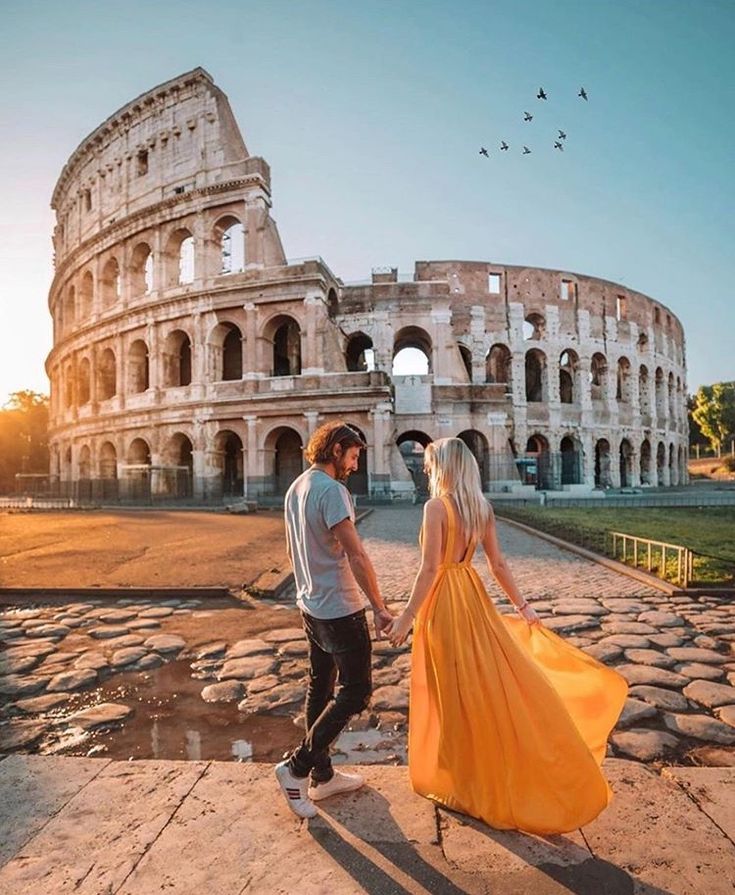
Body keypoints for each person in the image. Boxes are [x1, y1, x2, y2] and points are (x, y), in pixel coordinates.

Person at [387, 437, 628, 835]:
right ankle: (482, 769)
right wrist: (523, 607)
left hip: (444, 603)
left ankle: (462, 779)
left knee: (451, 691)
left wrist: (406, 616)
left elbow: (430, 569)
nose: (426, 469)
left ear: (444, 467)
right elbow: (497, 564)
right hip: (472, 597)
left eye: (430, 463)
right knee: (479, 686)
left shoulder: (435, 507)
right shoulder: (481, 508)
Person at [275, 421, 394, 819]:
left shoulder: (297, 487)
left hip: (310, 603)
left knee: (319, 688)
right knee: (356, 692)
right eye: (354, 456)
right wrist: (378, 606)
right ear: (338, 449)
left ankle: (323, 778)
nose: (355, 466)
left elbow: (293, 549)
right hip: (340, 607)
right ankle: (297, 768)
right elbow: (357, 555)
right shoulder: (332, 491)